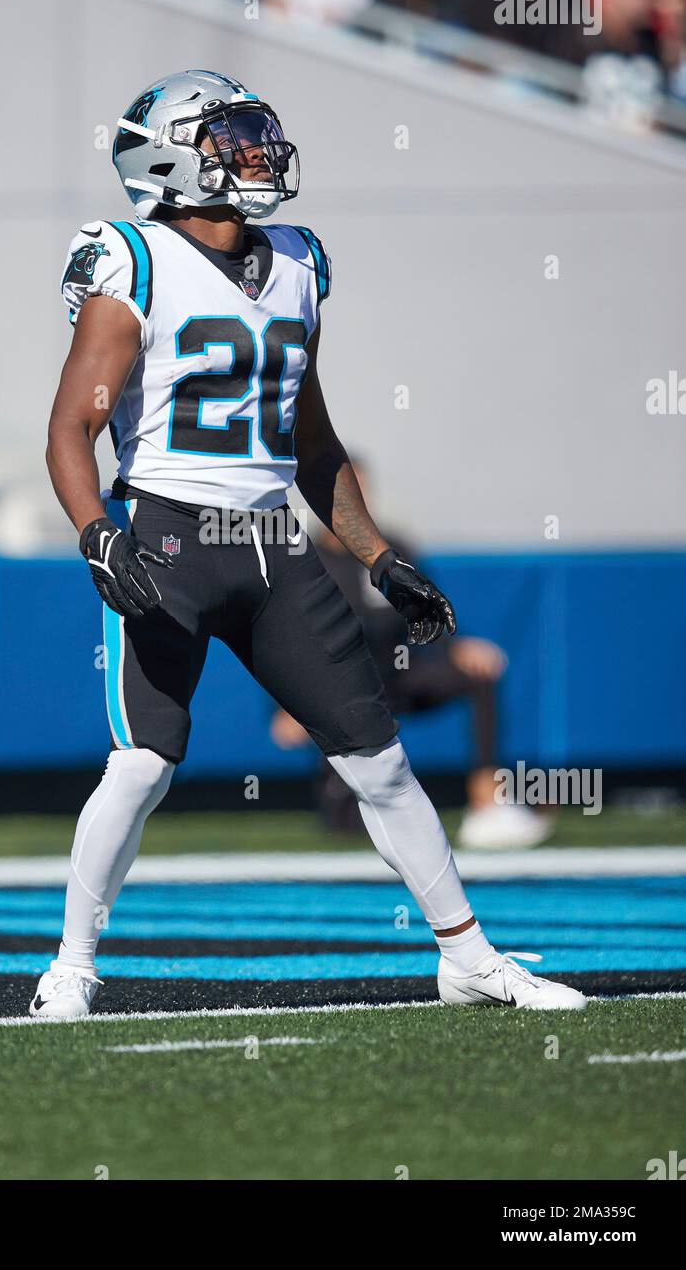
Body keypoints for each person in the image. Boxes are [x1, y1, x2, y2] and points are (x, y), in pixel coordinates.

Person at [31, 69, 586, 1018]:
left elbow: (311, 439)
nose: (253, 153)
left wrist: (374, 554)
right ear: (170, 154)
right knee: (146, 761)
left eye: (255, 135)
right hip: (169, 537)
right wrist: (98, 534)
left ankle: (466, 954)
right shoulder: (133, 261)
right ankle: (71, 969)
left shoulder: (296, 258)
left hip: (275, 545)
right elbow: (69, 428)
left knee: (380, 760)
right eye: (231, 137)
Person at [271, 457, 554, 849]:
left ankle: (487, 796)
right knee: (350, 826)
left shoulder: (391, 549)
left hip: (400, 676)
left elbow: (423, 612)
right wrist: (287, 704)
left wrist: (459, 646)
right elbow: (283, 637)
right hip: (340, 692)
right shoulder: (303, 557)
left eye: (356, 490)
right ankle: (342, 796)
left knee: (480, 674)